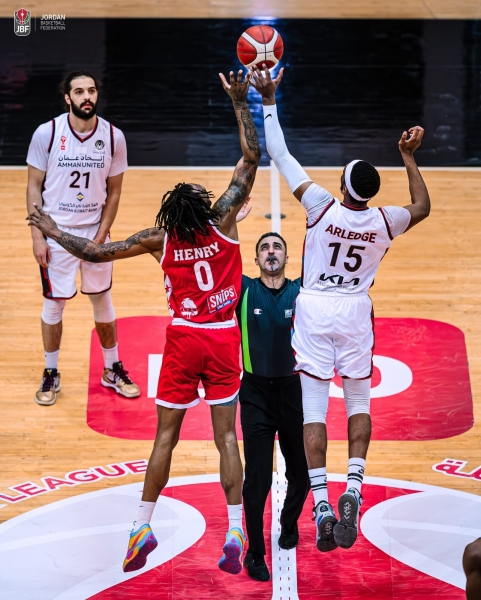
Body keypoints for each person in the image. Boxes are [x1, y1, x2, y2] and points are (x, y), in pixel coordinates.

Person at [28, 69, 261, 575]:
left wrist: (52, 229)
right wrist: (241, 102)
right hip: (223, 339)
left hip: (183, 339)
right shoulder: (224, 220)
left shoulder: (160, 239)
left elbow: (96, 251)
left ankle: (141, 525)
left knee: (164, 440)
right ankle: (235, 527)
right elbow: (250, 158)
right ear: (205, 207)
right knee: (227, 439)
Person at [250, 65, 431, 552]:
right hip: (354, 311)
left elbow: (280, 153)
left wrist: (269, 100)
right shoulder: (385, 221)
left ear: (344, 186)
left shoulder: (322, 206)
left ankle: (323, 505)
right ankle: (354, 486)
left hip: (314, 308)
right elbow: (422, 206)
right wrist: (408, 157)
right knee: (358, 404)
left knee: (314, 410)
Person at [26, 69, 140, 406]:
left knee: (102, 299)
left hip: (94, 230)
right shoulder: (47, 133)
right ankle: (51, 372)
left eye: (91, 91)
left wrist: (101, 236)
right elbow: (33, 186)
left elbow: (114, 192)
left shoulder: (114, 136)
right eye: (79, 92)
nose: (86, 97)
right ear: (67, 98)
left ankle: (112, 369)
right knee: (54, 304)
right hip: (56, 232)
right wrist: (37, 236)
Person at [235, 231, 309, 582]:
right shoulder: (245, 289)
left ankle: (289, 522)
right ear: (256, 260)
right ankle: (254, 552)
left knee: (302, 475)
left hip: (294, 393)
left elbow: (323, 255)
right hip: (255, 395)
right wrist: (232, 218)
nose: (271, 251)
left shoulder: (302, 290)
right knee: (257, 480)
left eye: (277, 246)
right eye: (264, 247)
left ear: (286, 257)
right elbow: (224, 254)